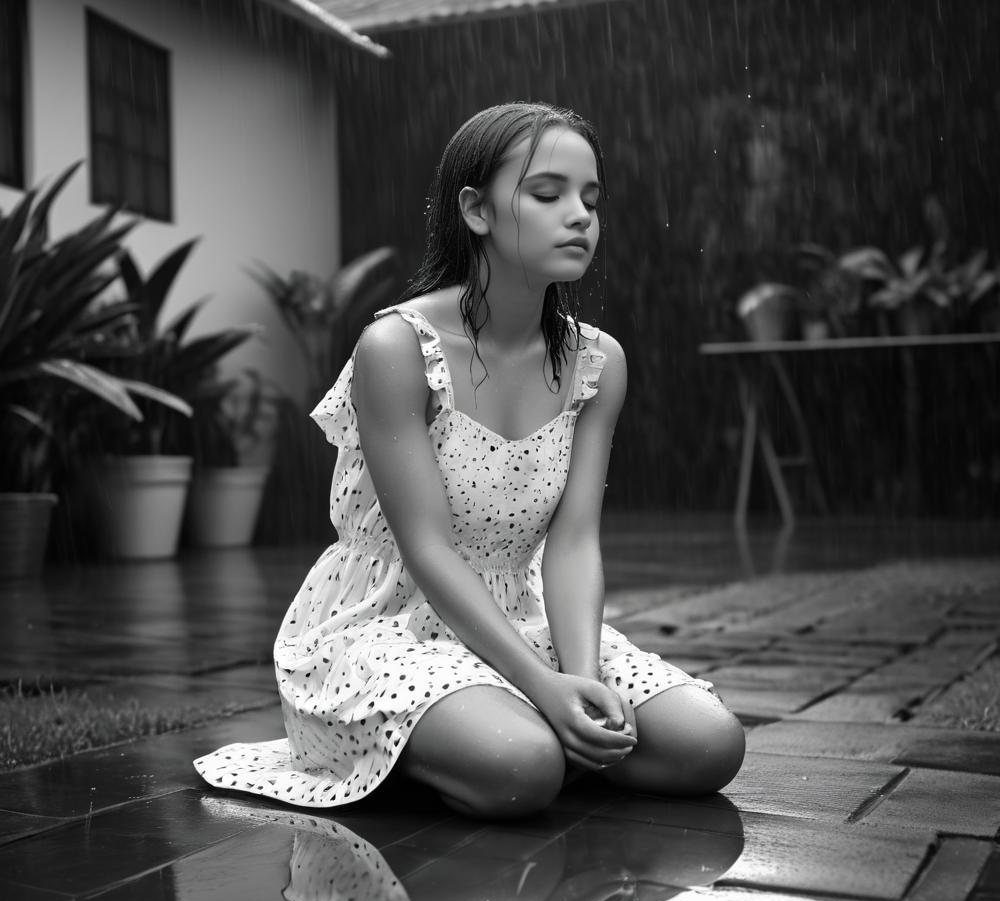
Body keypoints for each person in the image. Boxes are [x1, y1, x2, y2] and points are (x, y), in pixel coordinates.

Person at [194, 102, 745, 818]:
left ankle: (524, 735)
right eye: (548, 195)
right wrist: (543, 690)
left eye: (591, 198)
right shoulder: (396, 350)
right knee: (523, 767)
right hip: (378, 631)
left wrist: (577, 680)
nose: (579, 215)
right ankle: (454, 744)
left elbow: (574, 542)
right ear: (477, 211)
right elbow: (426, 549)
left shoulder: (597, 361)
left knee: (710, 744)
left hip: (520, 617)